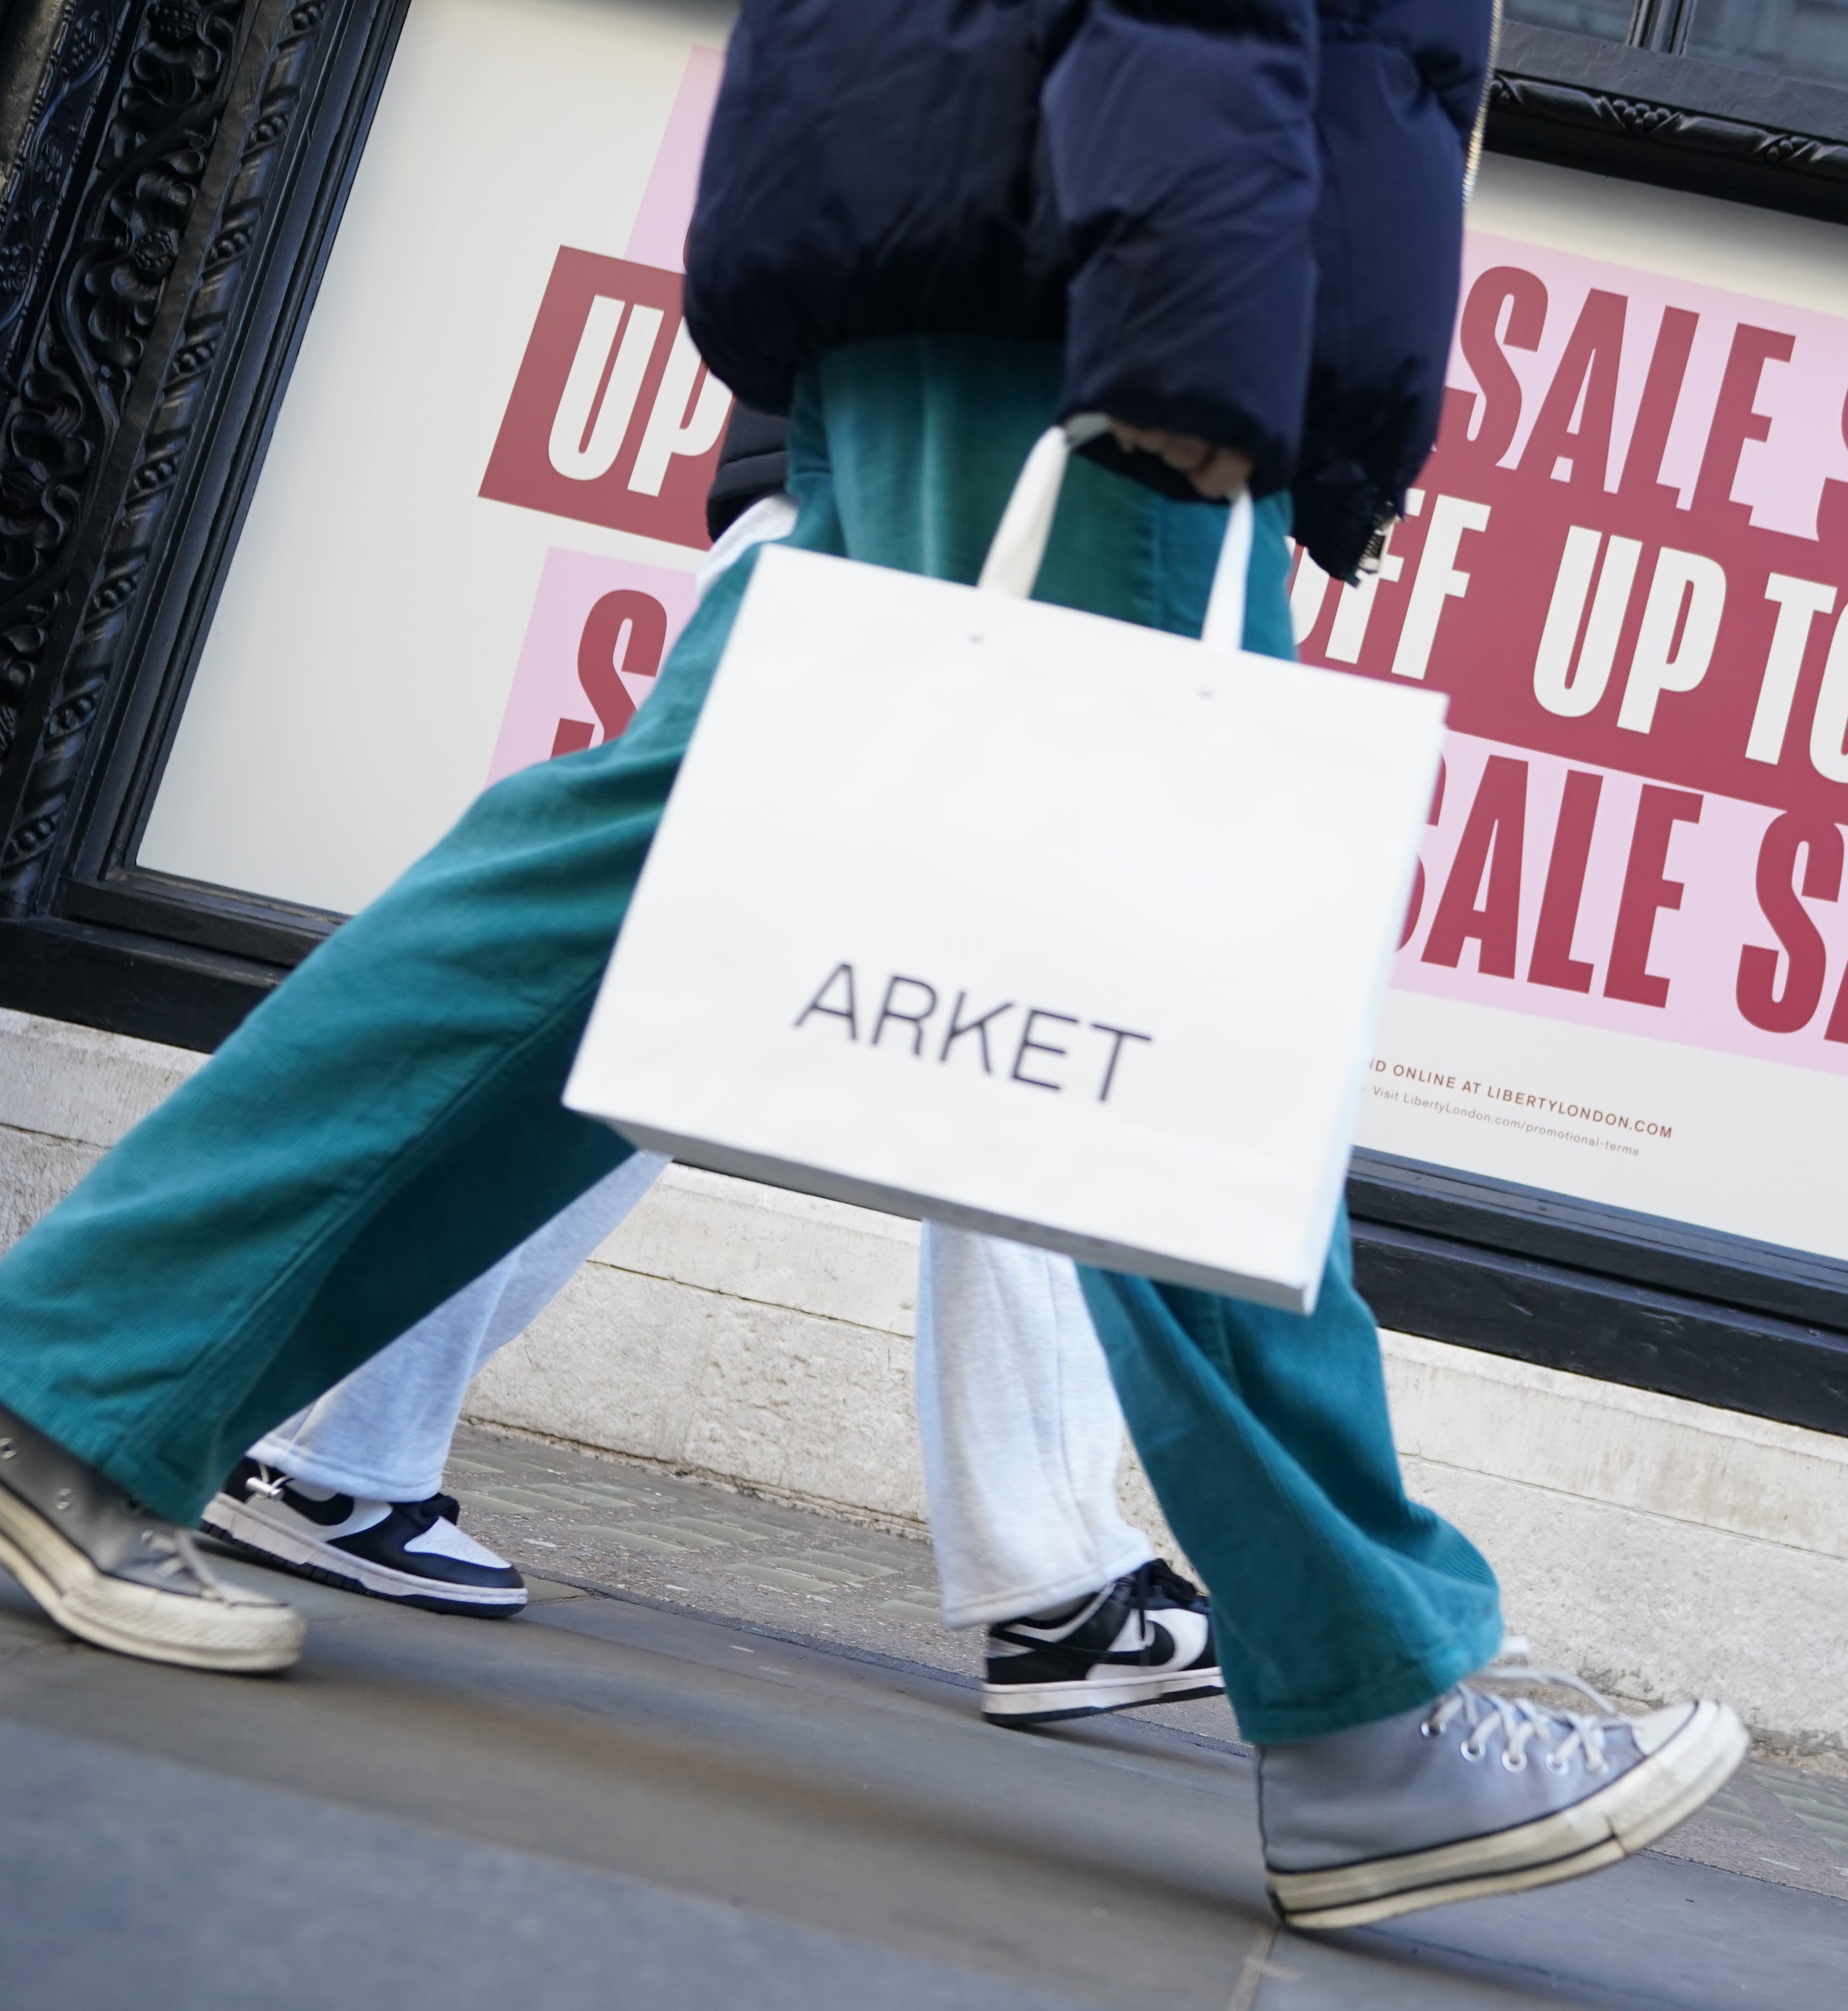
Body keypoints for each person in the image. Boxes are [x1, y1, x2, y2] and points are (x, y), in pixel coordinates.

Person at [0, 0, 1745, 1930]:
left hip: (1001, 228)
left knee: (642, 887)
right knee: (1177, 979)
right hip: (1089, 273)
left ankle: (71, 1388)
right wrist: (1191, 313)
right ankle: (1373, 1703)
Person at [203, 409, 1224, 1728]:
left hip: (910, 525)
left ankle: (330, 1445)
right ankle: (1060, 1583)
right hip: (942, 534)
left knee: (684, 1023)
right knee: (1019, 1036)